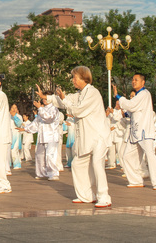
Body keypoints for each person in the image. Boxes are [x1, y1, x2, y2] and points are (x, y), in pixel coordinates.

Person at [48, 66, 111, 208]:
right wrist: (46, 98)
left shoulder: (92, 93)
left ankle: (104, 196)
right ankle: (87, 195)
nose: (73, 80)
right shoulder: (80, 94)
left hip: (99, 135)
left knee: (97, 164)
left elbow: (78, 110)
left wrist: (64, 100)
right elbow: (63, 101)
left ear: (84, 78)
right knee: (77, 164)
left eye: (75, 77)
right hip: (88, 137)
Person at [113, 74, 156, 190]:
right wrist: (125, 113)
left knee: (150, 155)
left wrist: (118, 96)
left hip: (144, 131)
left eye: (136, 80)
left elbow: (131, 105)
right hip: (135, 133)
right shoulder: (138, 96)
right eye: (132, 80)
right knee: (126, 156)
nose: (133, 81)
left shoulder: (144, 94)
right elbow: (133, 111)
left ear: (143, 82)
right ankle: (136, 180)